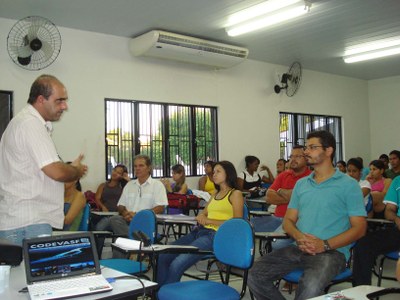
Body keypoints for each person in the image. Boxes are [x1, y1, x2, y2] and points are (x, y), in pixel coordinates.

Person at [248, 130, 367, 300]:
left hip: (331, 252)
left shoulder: (348, 185)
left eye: (312, 147)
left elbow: (360, 228)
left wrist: (324, 245)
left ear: (328, 151)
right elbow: (288, 221)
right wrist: (299, 237)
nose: (306, 151)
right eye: (306, 147)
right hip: (299, 247)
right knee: (255, 274)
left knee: (309, 286)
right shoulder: (302, 184)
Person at [0, 75, 87, 245]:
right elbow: (56, 171)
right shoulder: (30, 124)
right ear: (41, 99)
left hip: (23, 221)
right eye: (59, 101)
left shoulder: (23, 122)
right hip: (29, 222)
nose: (65, 106)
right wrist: (76, 171)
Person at [157, 160, 244, 286]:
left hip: (216, 236)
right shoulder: (215, 195)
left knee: (177, 263)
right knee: (163, 255)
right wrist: (202, 217)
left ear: (228, 174)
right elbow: (203, 213)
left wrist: (209, 220)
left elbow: (238, 223)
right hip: (200, 231)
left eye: (218, 171)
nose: (214, 174)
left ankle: (166, 294)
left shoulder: (235, 194)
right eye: (213, 172)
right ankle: (160, 293)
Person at [252, 145, 311, 237]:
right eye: (291, 156)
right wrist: (294, 197)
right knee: (247, 228)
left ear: (307, 158)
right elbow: (269, 197)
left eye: (298, 156)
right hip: (276, 218)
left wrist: (281, 192)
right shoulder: (283, 175)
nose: (293, 159)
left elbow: (305, 199)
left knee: (277, 243)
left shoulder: (311, 177)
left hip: (296, 222)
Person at [353, 176, 400, 286]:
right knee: (363, 245)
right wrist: (397, 219)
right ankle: (361, 290)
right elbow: (389, 212)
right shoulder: (397, 181)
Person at [109, 155, 167, 237]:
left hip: (145, 221)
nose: (137, 168)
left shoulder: (157, 185)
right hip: (128, 220)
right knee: (114, 219)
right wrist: (125, 213)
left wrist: (138, 216)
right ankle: (137, 239)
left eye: (141, 166)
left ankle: (132, 240)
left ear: (149, 168)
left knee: (121, 237)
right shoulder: (129, 185)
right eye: (135, 166)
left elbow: (160, 208)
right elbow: (120, 206)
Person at [94, 164, 129, 231]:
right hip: (104, 215)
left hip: (118, 215)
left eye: (119, 173)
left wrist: (127, 180)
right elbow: (97, 198)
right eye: (114, 170)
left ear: (122, 176)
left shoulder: (124, 187)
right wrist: (103, 207)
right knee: (98, 228)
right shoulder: (103, 185)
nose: (115, 173)